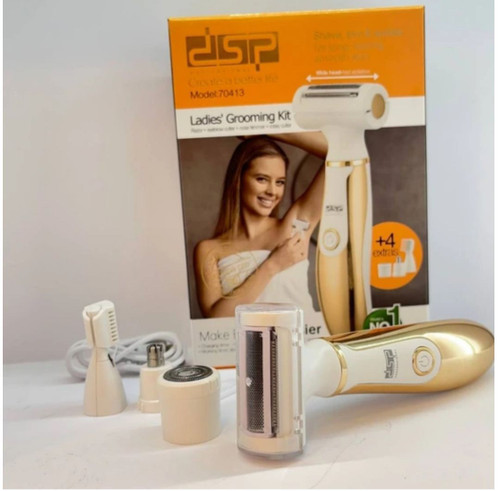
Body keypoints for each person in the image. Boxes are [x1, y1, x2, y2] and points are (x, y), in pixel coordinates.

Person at [194, 132, 327, 318]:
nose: (272, 191)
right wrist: (273, 265)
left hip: (304, 336)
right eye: (262, 179)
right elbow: (217, 320)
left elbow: (342, 152)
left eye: (280, 182)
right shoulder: (209, 251)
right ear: (238, 179)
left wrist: (267, 128)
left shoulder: (295, 227)